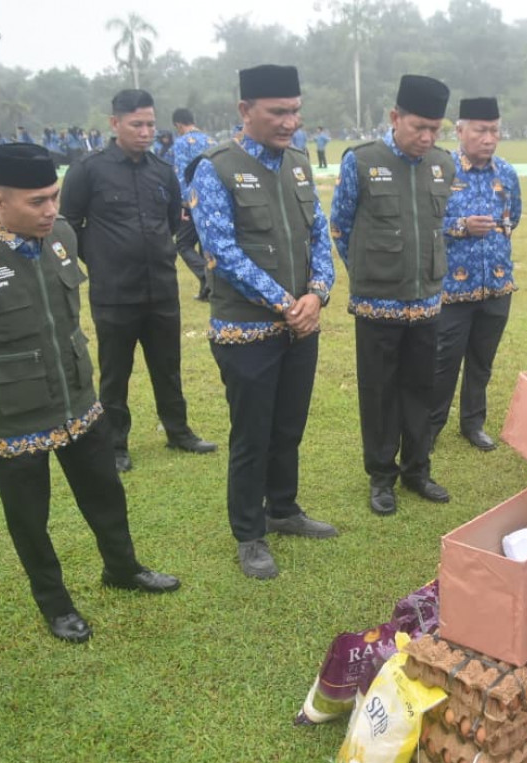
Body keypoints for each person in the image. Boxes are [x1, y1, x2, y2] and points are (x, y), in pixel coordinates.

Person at [0, 143, 181, 643]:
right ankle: (56, 604)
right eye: (36, 201)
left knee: (105, 493)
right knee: (29, 517)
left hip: (76, 398)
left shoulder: (62, 237)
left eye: (54, 197)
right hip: (11, 411)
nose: (51, 210)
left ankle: (122, 569)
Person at [188, 64, 338, 579]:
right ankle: (249, 533)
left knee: (288, 426)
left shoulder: (297, 164)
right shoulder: (215, 167)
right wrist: (286, 302)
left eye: (295, 110)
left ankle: (284, 509)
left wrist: (317, 294)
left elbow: (320, 233)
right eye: (278, 112)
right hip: (246, 331)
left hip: (300, 325)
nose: (290, 121)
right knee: (252, 433)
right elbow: (221, 250)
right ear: (245, 111)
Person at [60, 89, 216, 474]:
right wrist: (99, 258)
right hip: (114, 292)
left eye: (150, 124)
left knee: (168, 365)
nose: (146, 132)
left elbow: (168, 222)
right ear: (115, 124)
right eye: (137, 125)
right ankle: (115, 444)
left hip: (161, 288)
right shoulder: (88, 170)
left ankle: (178, 431)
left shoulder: (162, 172)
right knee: (116, 370)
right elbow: (67, 225)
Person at [329, 74, 456, 516]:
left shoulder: (444, 163)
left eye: (434, 129)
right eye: (418, 126)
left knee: (420, 389)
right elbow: (341, 226)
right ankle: (381, 476)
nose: (426, 137)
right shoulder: (362, 161)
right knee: (380, 392)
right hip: (376, 304)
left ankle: (417, 469)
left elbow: (439, 229)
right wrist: (371, 273)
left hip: (427, 303)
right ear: (395, 117)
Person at [429, 97, 522, 454]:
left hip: (498, 285)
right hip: (453, 288)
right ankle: (432, 425)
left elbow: (514, 217)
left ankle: (473, 423)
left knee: (482, 362)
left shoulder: (507, 173)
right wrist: (461, 226)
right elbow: (427, 223)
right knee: (443, 363)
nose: (488, 138)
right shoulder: (441, 169)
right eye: (481, 130)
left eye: (494, 130)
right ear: (461, 130)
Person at [171, 107, 214, 302]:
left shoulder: (181, 143)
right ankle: (208, 290)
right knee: (205, 245)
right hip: (213, 200)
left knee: (183, 243)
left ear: (178, 125)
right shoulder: (211, 140)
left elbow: (181, 174)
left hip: (193, 200)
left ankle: (206, 276)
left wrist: (184, 202)